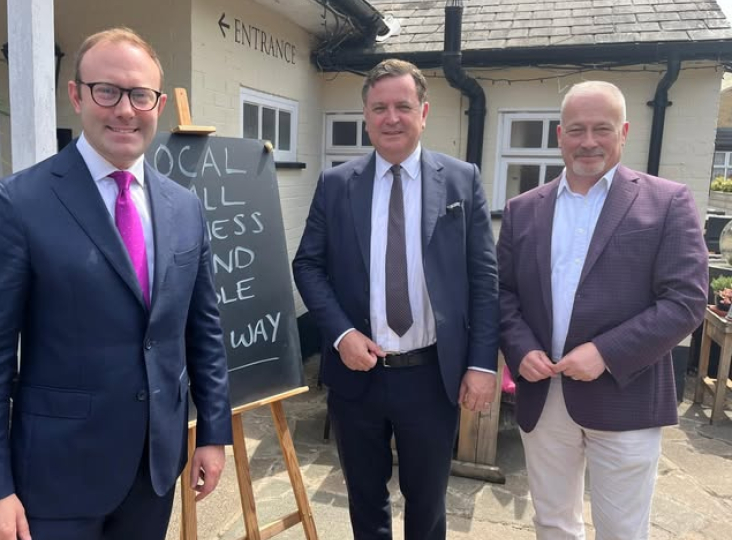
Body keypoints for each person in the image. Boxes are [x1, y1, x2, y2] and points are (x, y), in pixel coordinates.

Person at [0, 27, 233, 540]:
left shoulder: (185, 207)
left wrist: (214, 434)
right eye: (107, 91)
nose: (125, 109)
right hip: (56, 479)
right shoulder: (19, 204)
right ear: (77, 94)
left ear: (159, 104)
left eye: (140, 95)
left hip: (154, 473)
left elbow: (203, 331)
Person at [292, 59, 499, 539]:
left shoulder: (461, 180)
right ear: (365, 116)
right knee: (364, 501)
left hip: (431, 376)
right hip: (357, 377)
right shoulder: (336, 184)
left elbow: (484, 277)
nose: (391, 118)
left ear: (423, 112)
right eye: (379, 107)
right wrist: (341, 333)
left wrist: (483, 364)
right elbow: (307, 265)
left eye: (403, 106)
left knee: (427, 506)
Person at [497, 80, 708, 540]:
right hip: (544, 394)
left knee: (622, 531)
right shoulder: (521, 209)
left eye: (601, 129)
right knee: (553, 523)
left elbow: (686, 300)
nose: (588, 141)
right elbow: (503, 293)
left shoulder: (667, 201)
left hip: (626, 394)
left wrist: (606, 353)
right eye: (576, 129)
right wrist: (520, 346)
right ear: (559, 135)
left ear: (624, 132)